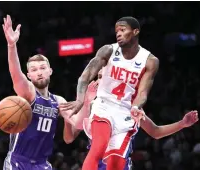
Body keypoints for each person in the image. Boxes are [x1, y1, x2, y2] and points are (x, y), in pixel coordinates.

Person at [59, 16, 160, 170]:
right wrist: (80, 100)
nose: (118, 33)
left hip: (125, 111)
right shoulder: (108, 50)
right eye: (116, 30)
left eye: (123, 30)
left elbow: (143, 93)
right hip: (104, 105)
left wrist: (136, 107)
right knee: (97, 148)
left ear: (135, 31)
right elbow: (85, 77)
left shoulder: (150, 60)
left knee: (115, 164)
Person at [60, 70, 199, 170]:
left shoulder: (131, 105)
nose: (101, 80)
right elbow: (69, 138)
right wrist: (70, 116)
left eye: (105, 77)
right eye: (99, 76)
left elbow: (155, 131)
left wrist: (182, 124)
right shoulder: (91, 102)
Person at [2, 15, 75, 170]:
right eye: (34, 70)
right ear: (29, 76)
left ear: (50, 71)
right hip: (18, 162)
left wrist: (86, 103)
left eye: (42, 68)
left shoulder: (59, 101)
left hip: (42, 165)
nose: (39, 72)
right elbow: (16, 73)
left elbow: (70, 137)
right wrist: (11, 45)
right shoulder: (28, 93)